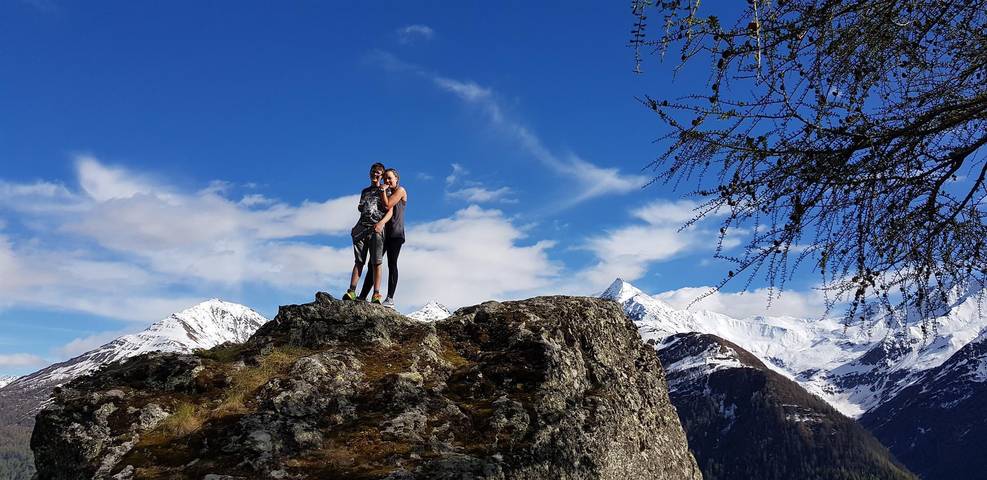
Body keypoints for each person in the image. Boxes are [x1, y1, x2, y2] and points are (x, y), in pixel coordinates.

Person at [357, 168, 407, 308]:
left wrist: (382, 191)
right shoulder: (385, 191)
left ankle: (390, 298)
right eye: (385, 179)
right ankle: (362, 296)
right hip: (382, 234)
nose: (387, 181)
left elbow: (388, 204)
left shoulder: (400, 190)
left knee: (392, 263)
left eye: (390, 178)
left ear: (397, 178)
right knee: (374, 263)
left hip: (396, 234)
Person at [343, 162, 391, 304]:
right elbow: (362, 211)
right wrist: (356, 227)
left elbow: (389, 209)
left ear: (382, 175)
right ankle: (351, 291)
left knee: (376, 262)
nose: (375, 174)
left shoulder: (386, 190)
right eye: (373, 171)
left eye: (378, 172)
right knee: (359, 261)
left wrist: (381, 224)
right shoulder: (365, 191)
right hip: (362, 228)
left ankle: (376, 294)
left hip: (376, 229)